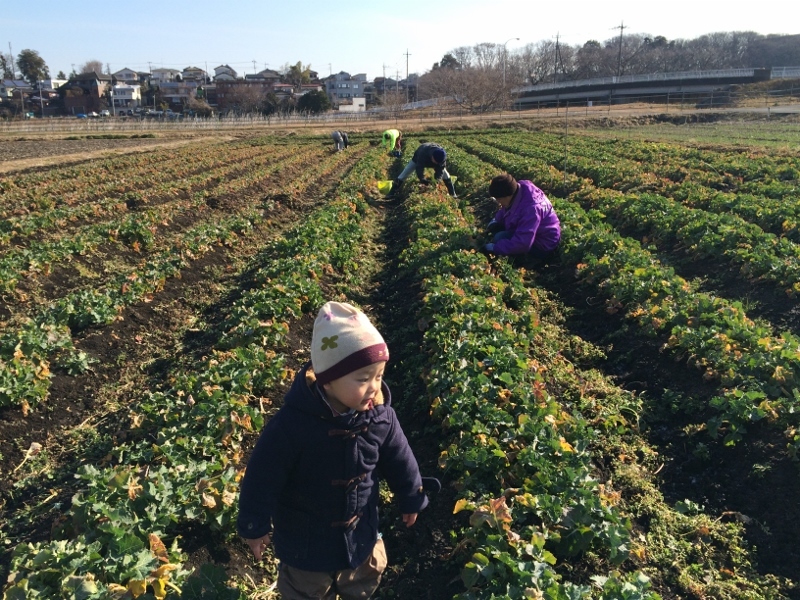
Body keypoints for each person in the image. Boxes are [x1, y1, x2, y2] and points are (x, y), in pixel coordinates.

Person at [238, 301, 438, 600]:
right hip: (305, 545)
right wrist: (254, 524)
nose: (374, 387)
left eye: (379, 375)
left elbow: (401, 460)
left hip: (360, 536)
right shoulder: (291, 426)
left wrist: (412, 496)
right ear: (328, 380)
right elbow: (262, 476)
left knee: (362, 583)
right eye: (363, 378)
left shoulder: (380, 416)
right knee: (307, 591)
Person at [483, 173, 561, 260]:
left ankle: (527, 261)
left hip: (543, 243)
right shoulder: (518, 190)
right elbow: (507, 208)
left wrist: (495, 248)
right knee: (498, 230)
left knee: (499, 237)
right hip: (533, 232)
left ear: (508, 196)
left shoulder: (531, 210)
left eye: (499, 199)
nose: (498, 202)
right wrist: (496, 220)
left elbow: (523, 243)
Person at [389, 142, 457, 198]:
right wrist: (422, 178)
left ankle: (453, 194)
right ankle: (391, 193)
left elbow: (440, 170)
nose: (437, 163)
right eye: (435, 161)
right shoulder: (423, 152)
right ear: (432, 157)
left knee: (446, 175)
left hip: (431, 159)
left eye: (438, 162)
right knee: (404, 174)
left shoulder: (442, 158)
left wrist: (436, 181)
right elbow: (419, 167)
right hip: (417, 159)